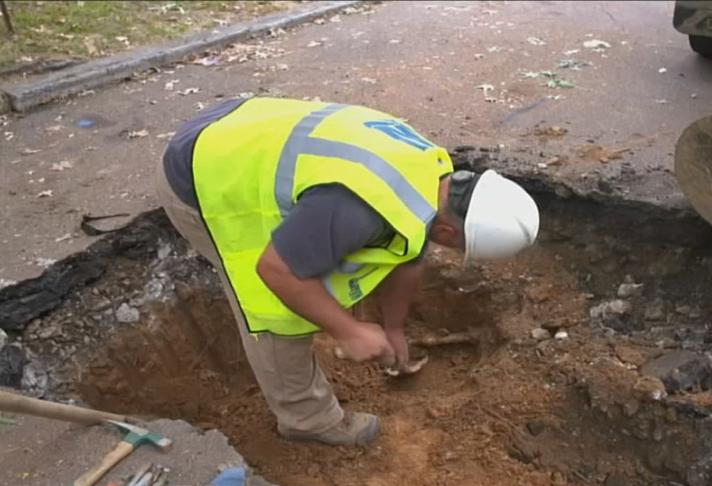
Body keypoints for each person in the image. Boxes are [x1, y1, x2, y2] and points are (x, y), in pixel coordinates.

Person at [156, 97, 539, 445]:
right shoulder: (358, 208)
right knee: (278, 310)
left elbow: (411, 251)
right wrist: (348, 330)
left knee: (316, 262)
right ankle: (307, 421)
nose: (448, 249)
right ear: (448, 231)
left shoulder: (432, 174)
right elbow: (275, 272)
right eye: (457, 245)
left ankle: (325, 305)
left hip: (239, 123)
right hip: (203, 174)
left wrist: (392, 327)